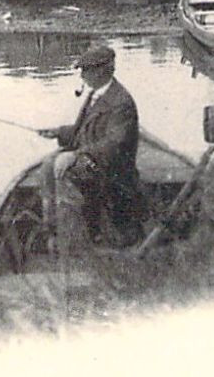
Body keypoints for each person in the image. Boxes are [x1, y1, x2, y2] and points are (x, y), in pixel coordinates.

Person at [37, 43, 149, 253]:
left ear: (102, 70)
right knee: (47, 166)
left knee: (65, 171)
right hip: (93, 160)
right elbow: (81, 131)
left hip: (112, 169)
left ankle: (76, 239)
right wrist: (59, 132)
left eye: (86, 70)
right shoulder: (95, 94)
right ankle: (53, 230)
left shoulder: (121, 103)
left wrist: (77, 155)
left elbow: (114, 145)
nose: (83, 75)